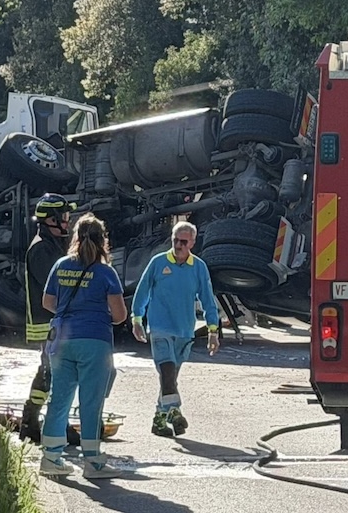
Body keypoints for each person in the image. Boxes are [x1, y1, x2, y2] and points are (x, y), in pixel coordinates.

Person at [39, 213, 127, 478]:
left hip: (62, 340)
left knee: (59, 398)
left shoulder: (61, 265)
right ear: (103, 241)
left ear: (76, 238)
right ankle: (93, 463)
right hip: (94, 340)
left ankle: (51, 458)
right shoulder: (105, 272)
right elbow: (120, 314)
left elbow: (48, 302)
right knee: (90, 401)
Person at [131, 221, 221, 437]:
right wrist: (137, 319)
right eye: (175, 241)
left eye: (183, 242)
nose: (178, 246)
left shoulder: (198, 267)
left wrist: (213, 330)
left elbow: (208, 299)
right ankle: (175, 411)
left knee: (169, 379)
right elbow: (142, 292)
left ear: (192, 242)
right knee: (167, 371)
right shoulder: (158, 263)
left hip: (184, 331)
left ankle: (159, 421)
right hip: (160, 328)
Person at [19, 193, 75, 444]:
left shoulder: (50, 244)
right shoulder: (42, 248)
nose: (67, 222)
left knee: (48, 373)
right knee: (56, 373)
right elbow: (55, 286)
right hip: (48, 323)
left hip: (53, 322)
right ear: (50, 219)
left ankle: (31, 421)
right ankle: (49, 424)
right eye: (63, 217)